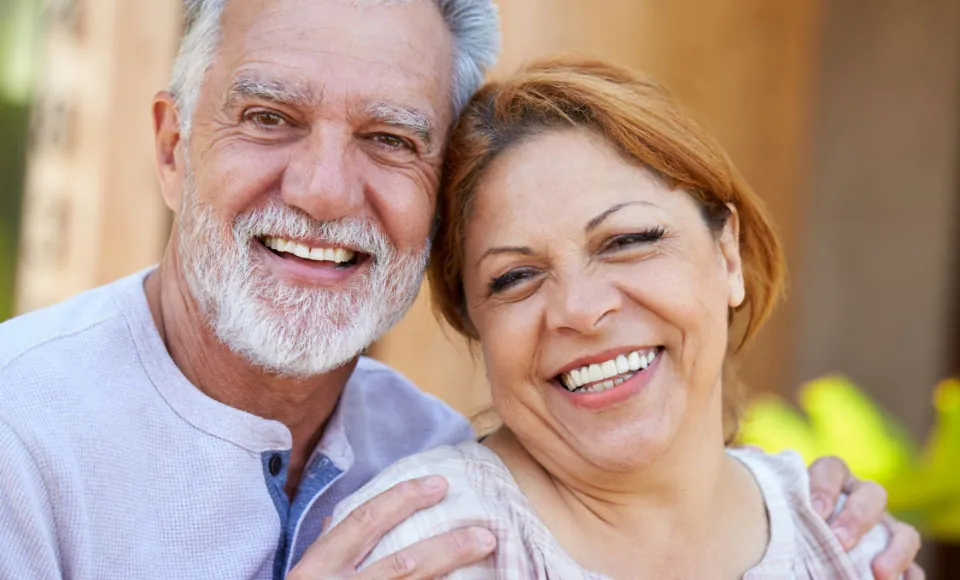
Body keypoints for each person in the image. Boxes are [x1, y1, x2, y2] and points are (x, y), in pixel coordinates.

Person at [0, 1, 919, 579]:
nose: (322, 190)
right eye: (269, 118)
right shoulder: (20, 431)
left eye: (391, 138)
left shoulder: (423, 446)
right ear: (171, 149)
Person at [324, 57, 923, 579]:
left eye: (628, 240)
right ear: (474, 324)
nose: (582, 311)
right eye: (515, 278)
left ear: (728, 256)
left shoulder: (845, 541)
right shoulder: (423, 548)